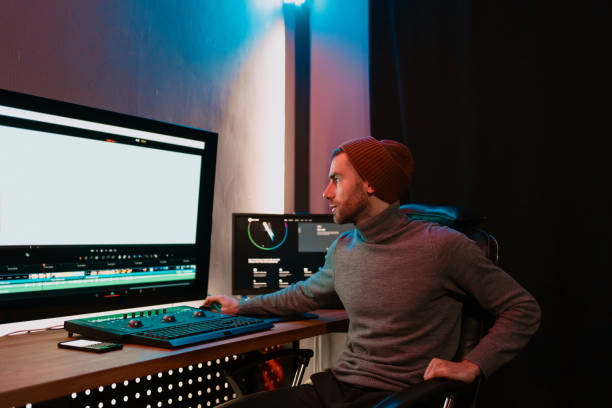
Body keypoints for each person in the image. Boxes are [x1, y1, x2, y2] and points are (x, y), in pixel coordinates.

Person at [205, 136, 541, 407]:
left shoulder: (442, 246)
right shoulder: (344, 248)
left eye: (336, 179)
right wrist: (239, 306)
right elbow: (303, 294)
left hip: (399, 398)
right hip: (335, 390)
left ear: (369, 184)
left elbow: (522, 309)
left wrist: (473, 365)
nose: (326, 193)